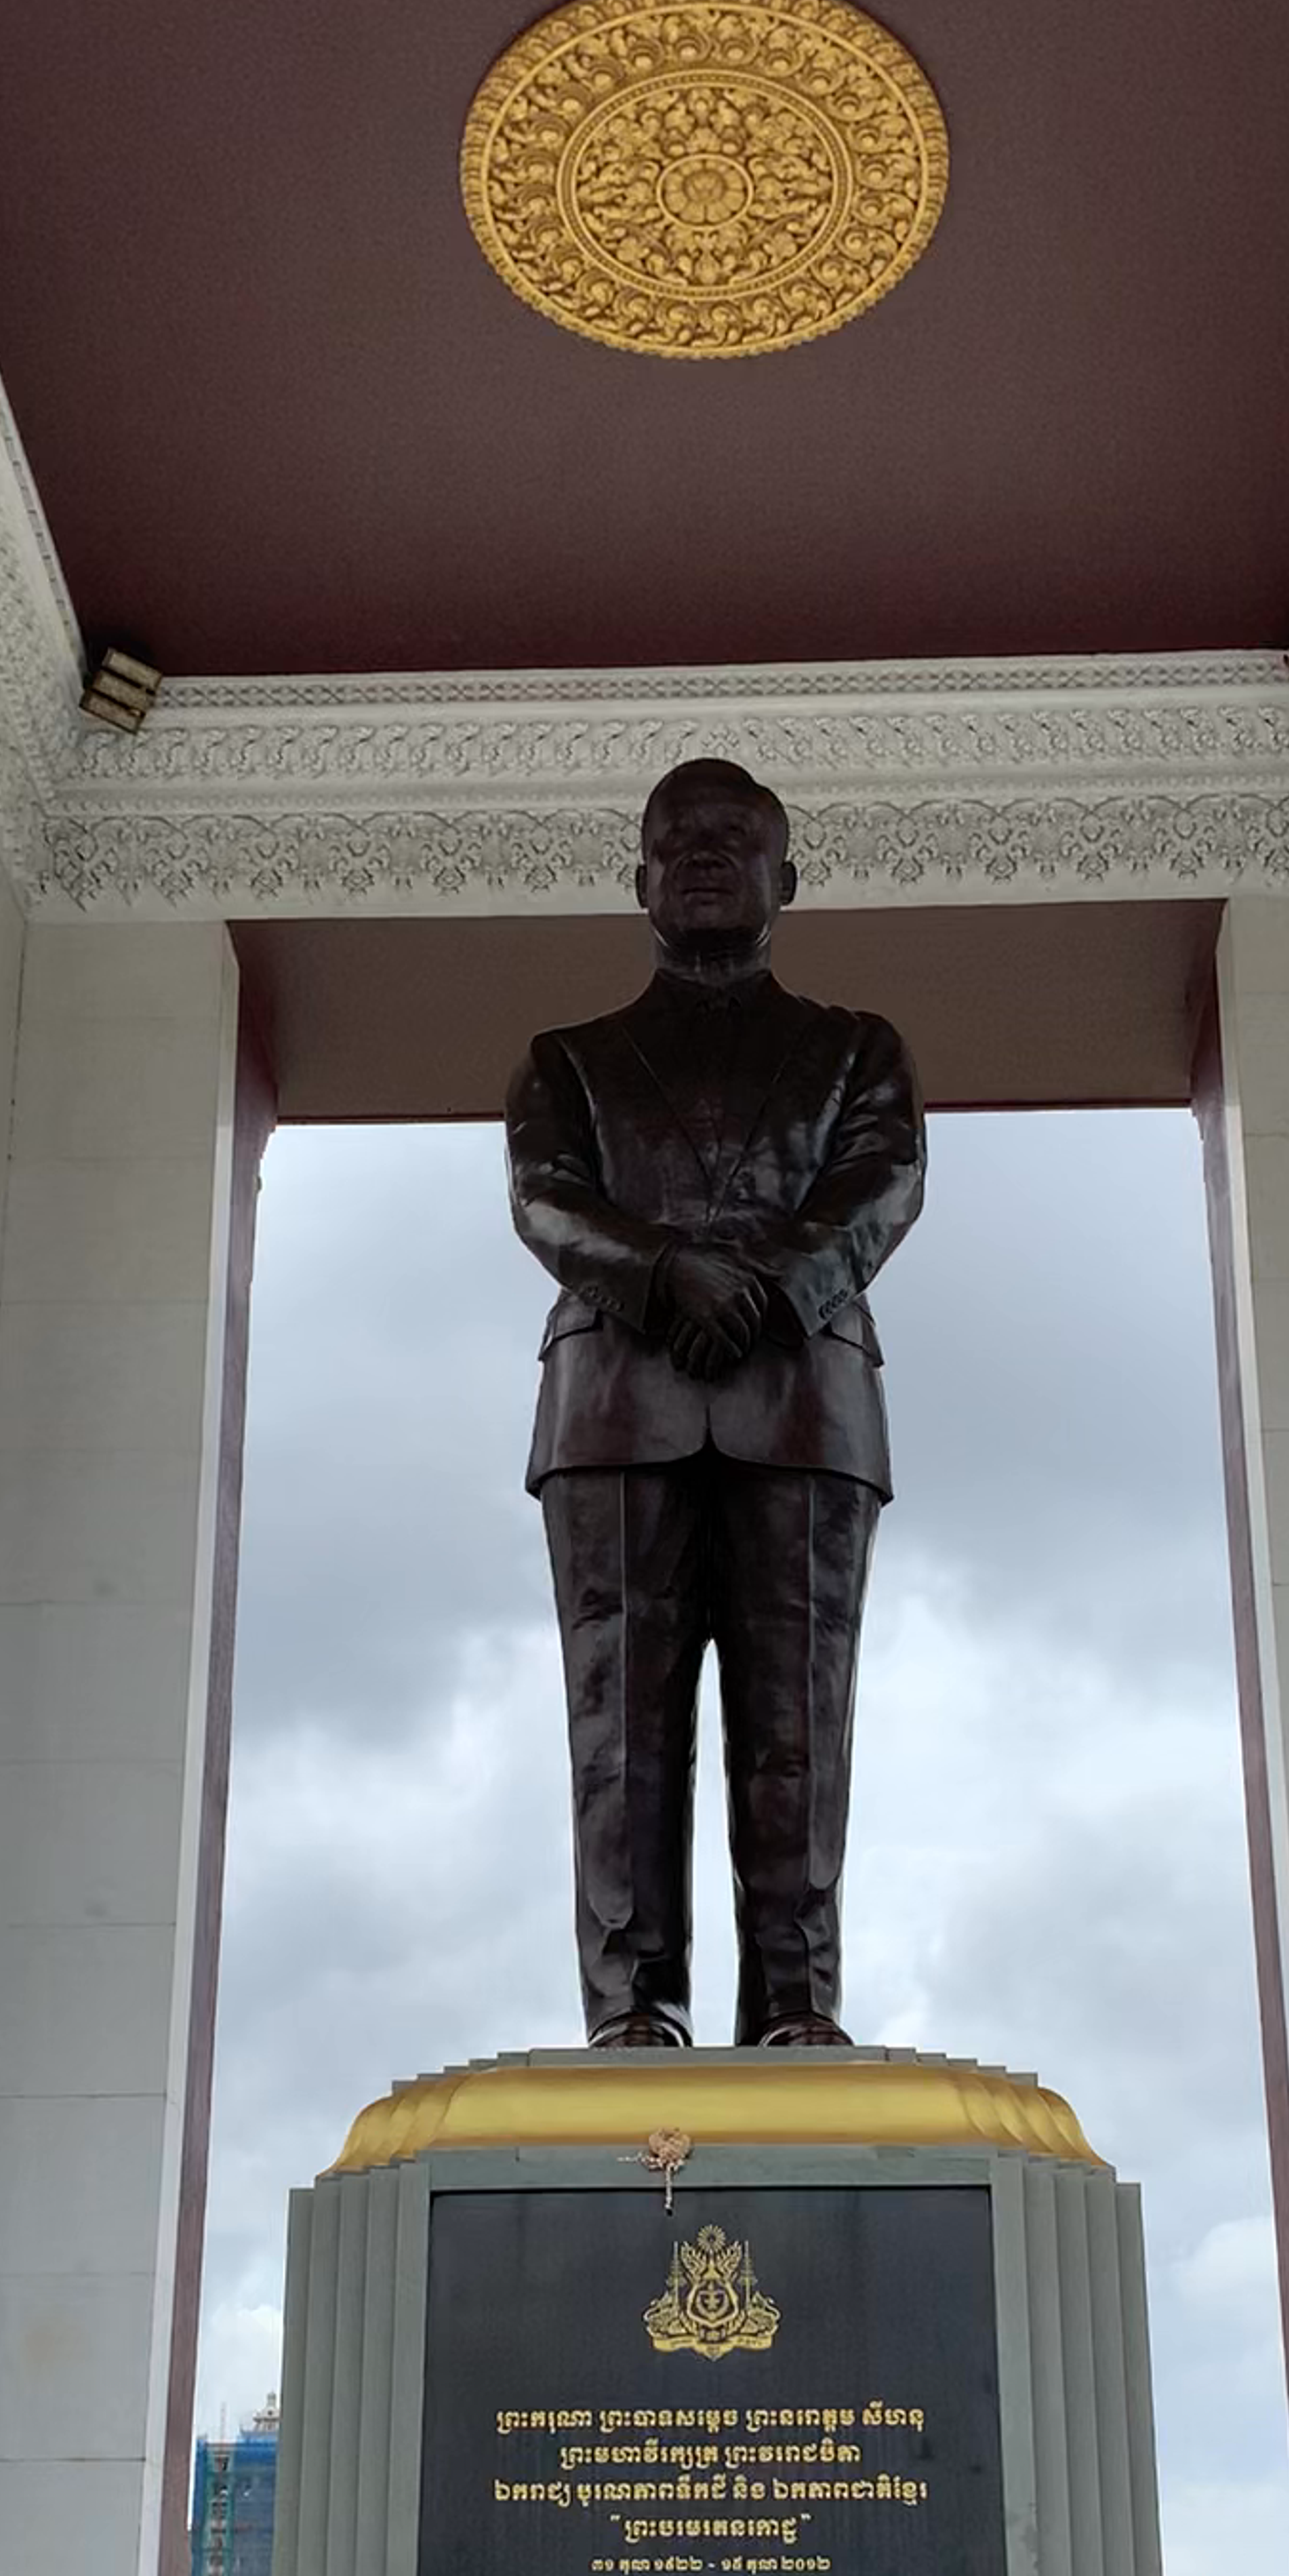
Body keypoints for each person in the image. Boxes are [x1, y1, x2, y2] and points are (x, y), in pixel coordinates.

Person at [504, 757, 926, 2049]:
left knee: (796, 1724)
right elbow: (546, 1196)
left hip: (802, 1402)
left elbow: (884, 1179)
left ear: (786, 879)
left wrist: (772, 1284)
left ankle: (797, 2006)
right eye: (675, 839)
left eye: (734, 839)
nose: (701, 855)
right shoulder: (565, 1061)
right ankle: (634, 2009)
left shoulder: (858, 1049)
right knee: (620, 1732)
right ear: (636, 879)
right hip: (614, 1408)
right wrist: (664, 1271)